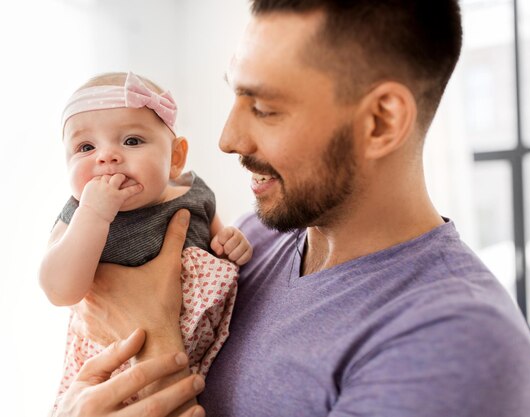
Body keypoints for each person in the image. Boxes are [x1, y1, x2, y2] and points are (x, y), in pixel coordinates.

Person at [56, 1, 530, 416]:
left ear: (381, 121)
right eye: (235, 94)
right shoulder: (252, 240)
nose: (228, 139)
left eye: (264, 108)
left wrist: (152, 335)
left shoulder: (456, 344)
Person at [39, 71, 251, 412]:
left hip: (208, 354)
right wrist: (94, 214)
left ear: (176, 158)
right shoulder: (79, 214)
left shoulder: (195, 194)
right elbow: (58, 289)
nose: (106, 157)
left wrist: (231, 241)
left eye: (132, 141)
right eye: (86, 147)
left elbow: (219, 240)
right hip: (115, 367)